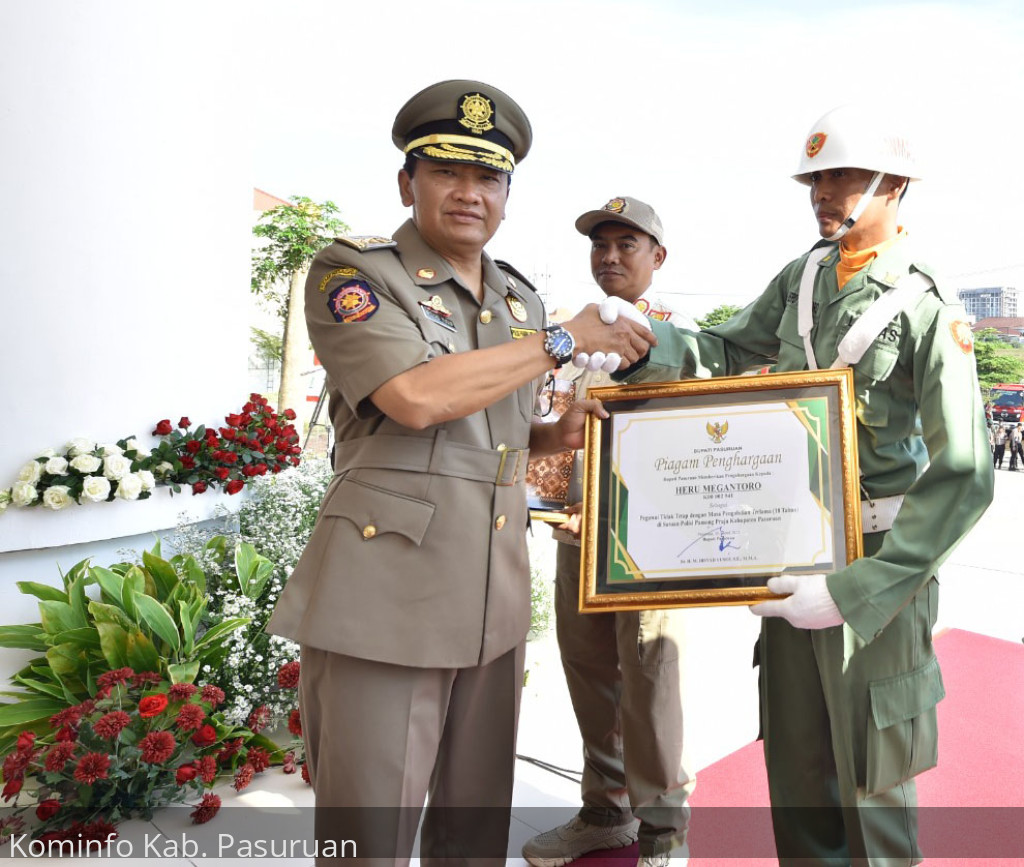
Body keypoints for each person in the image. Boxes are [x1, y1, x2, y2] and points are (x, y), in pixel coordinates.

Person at [266, 79, 656, 865]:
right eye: (448, 172)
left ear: (508, 194)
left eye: (489, 178)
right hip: (387, 599)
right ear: (408, 183)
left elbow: (501, 435)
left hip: (492, 602)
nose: (469, 193)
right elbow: (411, 398)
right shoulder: (356, 273)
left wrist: (568, 430)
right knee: (367, 842)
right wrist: (555, 342)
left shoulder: (515, 296)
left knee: (472, 838)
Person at [615, 105, 994, 864]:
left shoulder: (925, 306)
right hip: (792, 547)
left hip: (876, 568)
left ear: (896, 185)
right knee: (796, 767)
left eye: (843, 175)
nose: (823, 192)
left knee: (871, 778)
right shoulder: (805, 276)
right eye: (815, 177)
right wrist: (638, 338)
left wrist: (858, 588)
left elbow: (965, 474)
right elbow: (723, 348)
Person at [522, 197, 697, 867]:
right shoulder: (570, 334)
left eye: (628, 243)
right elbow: (555, 428)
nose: (611, 255)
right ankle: (605, 809)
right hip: (576, 535)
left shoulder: (677, 338)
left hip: (651, 545)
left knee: (650, 683)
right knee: (590, 671)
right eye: (601, 244)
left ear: (658, 256)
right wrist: (554, 499)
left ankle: (663, 833)